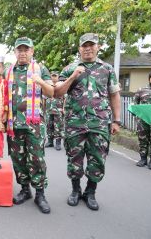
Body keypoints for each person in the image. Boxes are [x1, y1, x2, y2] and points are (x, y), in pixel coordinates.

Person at [54, 33, 121, 211]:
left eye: (91, 45)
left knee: (97, 160)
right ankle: (75, 190)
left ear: (98, 47)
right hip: (75, 123)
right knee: (74, 158)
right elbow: (58, 92)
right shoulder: (70, 68)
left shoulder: (107, 69)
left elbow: (114, 94)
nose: (88, 48)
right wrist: (73, 76)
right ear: (79, 49)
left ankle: (90, 192)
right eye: (84, 46)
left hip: (99, 124)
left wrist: (116, 120)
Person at [6, 37, 54, 214]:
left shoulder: (40, 69)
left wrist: (39, 81)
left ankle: (40, 194)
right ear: (15, 52)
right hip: (13, 124)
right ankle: (25, 189)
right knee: (18, 159)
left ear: (32, 51)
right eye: (20, 50)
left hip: (34, 124)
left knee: (37, 159)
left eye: (26, 49)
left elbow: (51, 92)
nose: (23, 53)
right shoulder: (8, 71)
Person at [134, 70, 151, 170]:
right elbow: (135, 104)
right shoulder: (141, 89)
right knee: (142, 138)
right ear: (149, 78)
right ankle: (143, 159)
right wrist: (137, 117)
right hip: (143, 120)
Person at [44, 71, 65, 150]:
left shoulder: (61, 86)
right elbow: (45, 99)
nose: (53, 77)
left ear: (58, 77)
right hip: (49, 110)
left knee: (58, 126)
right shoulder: (48, 86)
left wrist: (64, 108)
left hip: (58, 110)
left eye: (55, 76)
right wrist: (44, 108)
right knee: (49, 126)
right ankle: (50, 141)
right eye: (52, 76)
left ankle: (58, 142)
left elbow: (65, 98)